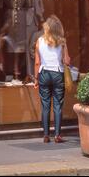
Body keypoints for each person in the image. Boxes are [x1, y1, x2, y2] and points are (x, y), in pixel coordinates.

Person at [34, 15, 70, 143]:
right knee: (58, 105)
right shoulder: (62, 42)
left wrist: (36, 79)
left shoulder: (39, 41)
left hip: (44, 73)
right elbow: (66, 61)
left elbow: (37, 62)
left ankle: (45, 135)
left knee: (45, 105)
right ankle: (57, 135)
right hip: (57, 73)